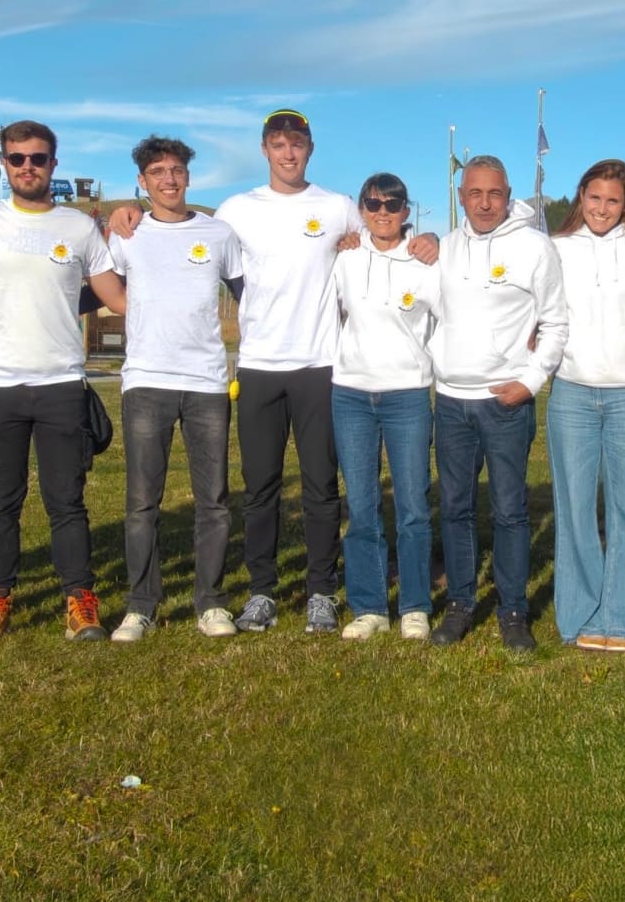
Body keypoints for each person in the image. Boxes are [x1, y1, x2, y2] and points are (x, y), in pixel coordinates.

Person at [109, 109, 436, 634]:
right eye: (279, 145)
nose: (289, 153)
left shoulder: (336, 208)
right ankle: (261, 591)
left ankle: (321, 591)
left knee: (320, 487)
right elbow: (182, 229)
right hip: (259, 365)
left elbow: (386, 235)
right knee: (259, 488)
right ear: (264, 149)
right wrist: (126, 211)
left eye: (298, 144)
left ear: (310, 149)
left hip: (320, 365)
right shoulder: (236, 212)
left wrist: (427, 241)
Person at [0, 121, 127, 644]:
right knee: (0, 501)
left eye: (37, 158)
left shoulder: (77, 228)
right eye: (16, 158)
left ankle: (79, 599)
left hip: (60, 383)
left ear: (54, 164)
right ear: (4, 165)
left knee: (67, 501)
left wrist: (163, 259)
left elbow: (117, 297)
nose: (27, 166)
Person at [106, 135, 244, 642]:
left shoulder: (219, 233)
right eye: (158, 172)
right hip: (146, 381)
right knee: (143, 501)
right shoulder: (128, 233)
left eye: (177, 170)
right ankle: (141, 605)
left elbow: (247, 296)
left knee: (214, 500)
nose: (169, 179)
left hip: (207, 382)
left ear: (188, 177)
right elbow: (105, 286)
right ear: (141, 182)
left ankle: (210, 602)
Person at [427, 156, 567, 651]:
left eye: (495, 194)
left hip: (504, 402)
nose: (485, 204)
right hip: (450, 401)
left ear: (508, 196)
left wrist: (530, 382)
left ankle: (512, 611)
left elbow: (555, 323)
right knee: (457, 508)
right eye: (475, 193)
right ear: (461, 195)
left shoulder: (534, 248)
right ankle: (461, 605)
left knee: (510, 511)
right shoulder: (442, 249)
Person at [548, 160, 625, 653]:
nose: (602, 208)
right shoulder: (554, 249)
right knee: (573, 508)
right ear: (580, 197)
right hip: (571, 391)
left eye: (612, 200)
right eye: (594, 198)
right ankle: (580, 613)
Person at [330, 172, 440, 640]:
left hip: (408, 395)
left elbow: (448, 320)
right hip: (351, 394)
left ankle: (414, 604)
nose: (382, 213)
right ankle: (369, 606)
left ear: (406, 212)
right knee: (362, 502)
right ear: (361, 209)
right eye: (373, 205)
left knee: (413, 503)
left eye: (392, 205)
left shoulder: (427, 260)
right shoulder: (346, 258)